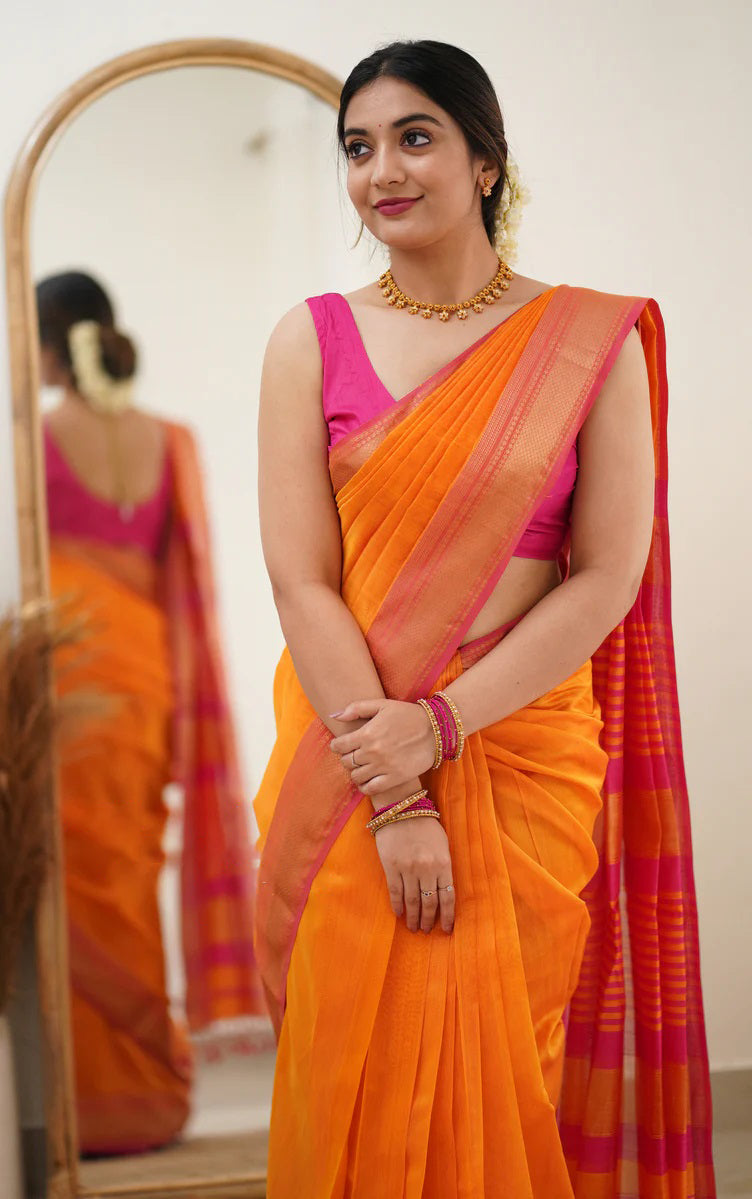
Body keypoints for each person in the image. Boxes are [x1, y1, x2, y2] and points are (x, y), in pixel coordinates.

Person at [252, 40, 715, 1198]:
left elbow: (604, 575)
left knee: (511, 1066)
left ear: (486, 161)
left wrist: (443, 724)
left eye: (414, 137)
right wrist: (395, 784)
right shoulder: (309, 337)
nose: (379, 172)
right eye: (356, 148)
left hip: (519, 746)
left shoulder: (587, 341)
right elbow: (302, 580)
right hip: (351, 751)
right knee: (350, 1064)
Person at [36, 271, 267, 1154]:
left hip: (66, 687)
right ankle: (146, 1092)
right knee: (128, 874)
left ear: (49, 343)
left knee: (75, 886)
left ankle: (92, 1102)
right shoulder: (169, 439)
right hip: (147, 684)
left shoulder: (41, 435)